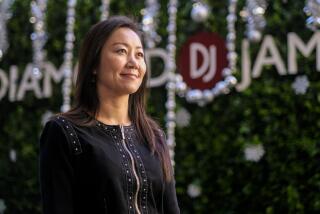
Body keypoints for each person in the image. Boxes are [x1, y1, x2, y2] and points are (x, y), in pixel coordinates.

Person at [39, 16, 180, 214]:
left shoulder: (153, 135)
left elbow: (171, 208)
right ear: (94, 65)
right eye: (121, 51)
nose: (133, 62)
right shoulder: (64, 131)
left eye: (139, 55)